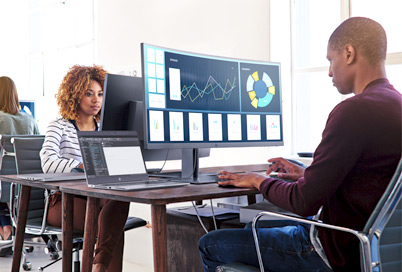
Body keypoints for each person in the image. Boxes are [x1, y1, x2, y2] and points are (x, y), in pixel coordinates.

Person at [199, 17, 402, 272]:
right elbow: (369, 182)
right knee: (255, 228)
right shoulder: (396, 105)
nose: (329, 71)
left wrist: (256, 180)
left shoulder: (353, 111)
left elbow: (303, 202)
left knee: (211, 244)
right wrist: (306, 174)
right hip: (372, 251)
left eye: (331, 60)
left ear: (349, 53)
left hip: (332, 252)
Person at [39, 65, 130, 272]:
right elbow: (48, 162)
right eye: (89, 94)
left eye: (100, 94)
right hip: (63, 202)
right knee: (112, 226)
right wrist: (82, 166)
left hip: (98, 197)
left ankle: (98, 266)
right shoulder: (59, 125)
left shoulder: (105, 128)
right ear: (74, 95)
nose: (96, 100)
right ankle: (99, 267)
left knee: (119, 203)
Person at [0, 76, 40, 256]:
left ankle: (6, 228)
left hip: (4, 183)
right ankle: (8, 227)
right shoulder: (29, 118)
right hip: (26, 184)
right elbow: (40, 147)